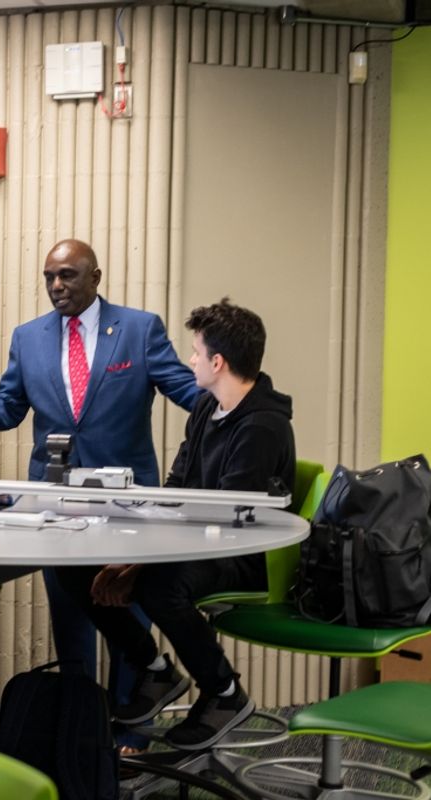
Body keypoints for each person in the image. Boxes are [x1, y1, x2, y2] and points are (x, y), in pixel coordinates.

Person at [0, 238, 200, 748]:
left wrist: (232, 393)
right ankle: (81, 740)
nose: (57, 286)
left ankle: (132, 737)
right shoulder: (28, 337)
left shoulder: (140, 329)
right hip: (54, 506)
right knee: (72, 622)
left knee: (127, 621)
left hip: (126, 505)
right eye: (50, 277)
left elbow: (188, 393)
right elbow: (9, 410)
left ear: (95, 277)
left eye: (69, 276)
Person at [56, 299, 296, 750]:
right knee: (74, 569)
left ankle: (225, 692)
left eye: (195, 352)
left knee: (158, 587)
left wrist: (140, 568)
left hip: (238, 554)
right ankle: (153, 669)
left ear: (217, 362)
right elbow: (178, 487)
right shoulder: (208, 407)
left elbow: (226, 518)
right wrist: (132, 554)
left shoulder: (262, 426)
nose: (190, 360)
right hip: (195, 542)